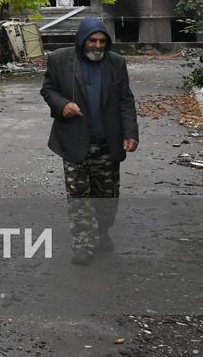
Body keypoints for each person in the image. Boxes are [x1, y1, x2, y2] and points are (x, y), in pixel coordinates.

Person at [40, 17, 139, 264]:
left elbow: (126, 99)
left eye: (102, 41)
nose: (97, 46)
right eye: (92, 40)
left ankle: (102, 230)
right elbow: (48, 90)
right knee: (79, 199)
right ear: (82, 40)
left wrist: (131, 132)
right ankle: (83, 246)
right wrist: (62, 105)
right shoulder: (61, 59)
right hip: (73, 143)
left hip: (108, 144)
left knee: (107, 198)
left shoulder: (116, 63)